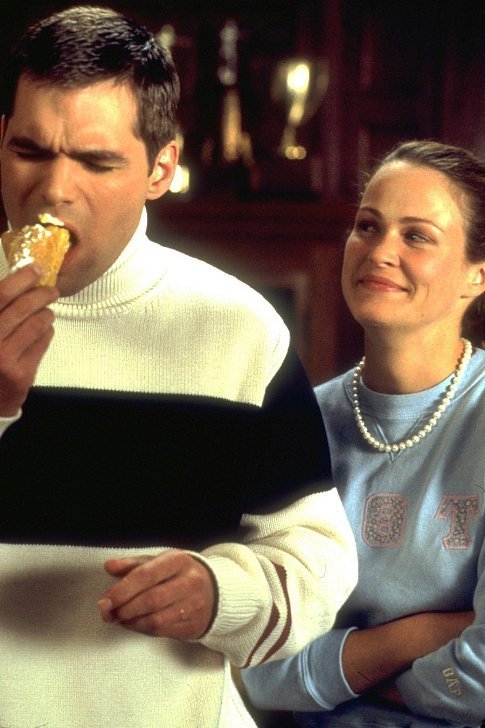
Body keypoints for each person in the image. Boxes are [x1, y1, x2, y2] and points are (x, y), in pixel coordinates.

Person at [0, 6, 358, 728]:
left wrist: (221, 593)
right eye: (31, 151)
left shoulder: (239, 329)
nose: (53, 191)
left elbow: (318, 565)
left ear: (160, 168)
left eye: (96, 162)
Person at [242, 139, 485, 728]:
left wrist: (335, 677)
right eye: (367, 226)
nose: (380, 251)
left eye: (417, 235)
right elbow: (254, 662)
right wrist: (418, 637)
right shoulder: (296, 422)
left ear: (477, 274)